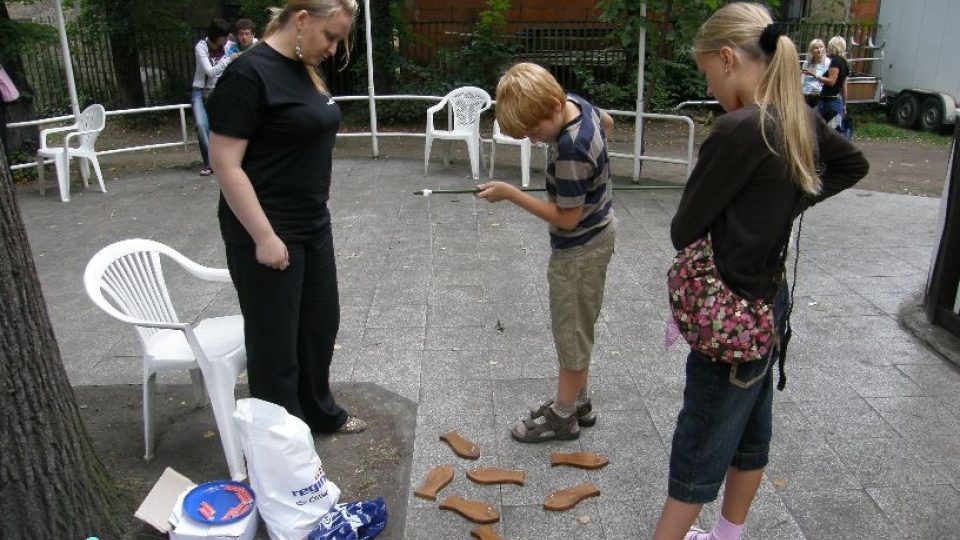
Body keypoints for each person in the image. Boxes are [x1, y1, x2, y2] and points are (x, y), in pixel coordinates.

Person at [652, 4, 868, 539]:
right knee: (750, 433)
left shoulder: (737, 129)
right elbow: (851, 164)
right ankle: (728, 536)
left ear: (728, 59)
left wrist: (769, 209)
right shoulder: (799, 117)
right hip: (767, 305)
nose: (711, 87)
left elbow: (684, 230)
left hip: (727, 314)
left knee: (698, 447)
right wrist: (783, 207)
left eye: (707, 73)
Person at [207, 0, 366, 435]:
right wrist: (263, 236)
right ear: (301, 20)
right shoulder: (247, 73)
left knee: (318, 325)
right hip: (266, 229)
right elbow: (225, 163)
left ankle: (317, 412)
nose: (333, 49)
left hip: (313, 222)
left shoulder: (301, 66)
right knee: (275, 343)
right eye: (330, 36)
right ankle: (280, 439)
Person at [475, 62, 616, 443]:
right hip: (600, 232)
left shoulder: (570, 148)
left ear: (552, 105)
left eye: (536, 131)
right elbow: (609, 123)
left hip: (579, 248)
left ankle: (563, 416)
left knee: (570, 332)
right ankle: (579, 400)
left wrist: (511, 194)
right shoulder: (576, 105)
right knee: (579, 325)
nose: (536, 141)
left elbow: (566, 219)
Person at [192, 18, 237, 177]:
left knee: (224, 123)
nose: (226, 40)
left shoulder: (229, 45)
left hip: (219, 89)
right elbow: (210, 71)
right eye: (223, 36)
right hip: (200, 89)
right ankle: (209, 163)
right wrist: (228, 59)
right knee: (202, 124)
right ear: (215, 36)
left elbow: (251, 44)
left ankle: (226, 159)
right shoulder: (201, 47)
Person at [817, 36, 850, 131]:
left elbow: (831, 82)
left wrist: (816, 76)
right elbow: (844, 87)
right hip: (836, 102)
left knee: (824, 132)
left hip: (828, 101)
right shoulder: (844, 62)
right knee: (834, 131)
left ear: (832, 46)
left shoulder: (835, 62)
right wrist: (844, 105)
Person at [800, 38, 829, 108]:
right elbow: (802, 80)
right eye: (816, 48)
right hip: (806, 94)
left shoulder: (827, 63)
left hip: (820, 95)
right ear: (811, 51)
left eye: (821, 47)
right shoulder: (807, 63)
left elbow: (828, 80)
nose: (819, 50)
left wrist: (813, 74)